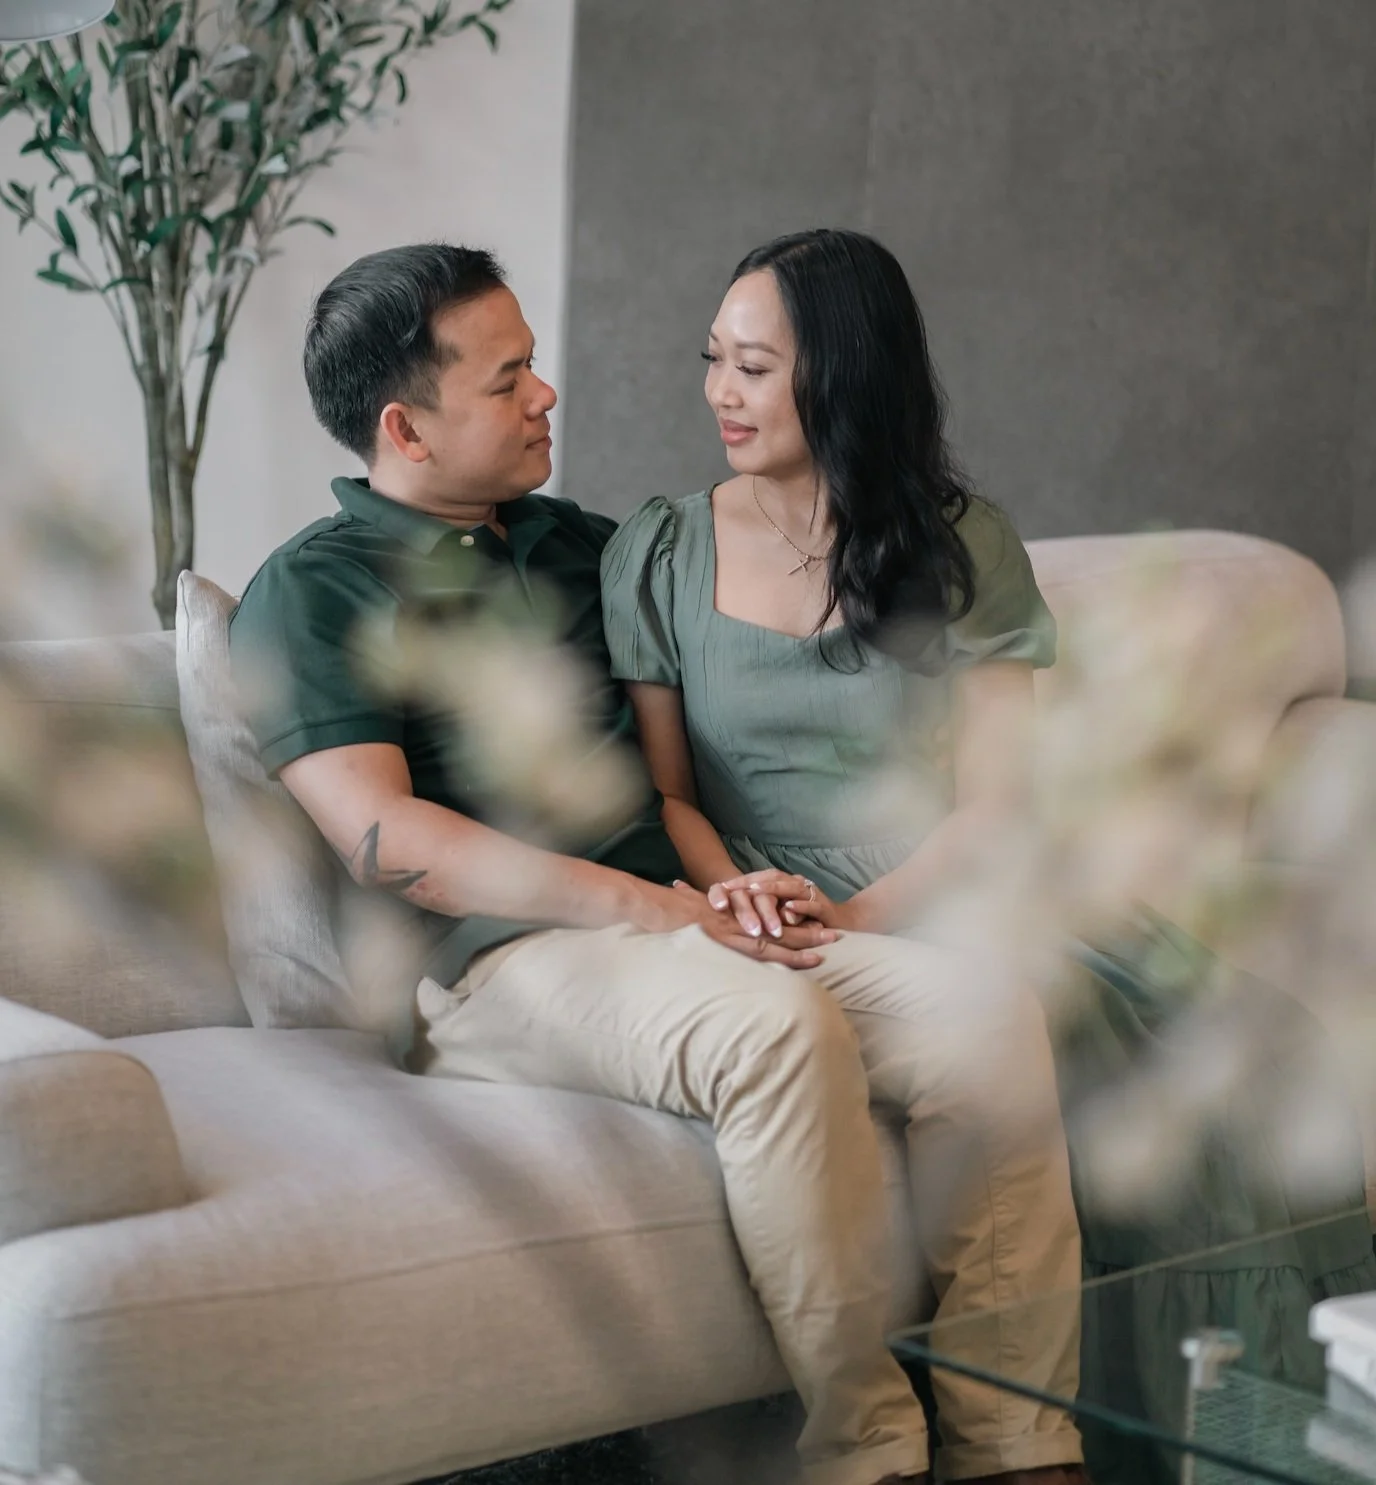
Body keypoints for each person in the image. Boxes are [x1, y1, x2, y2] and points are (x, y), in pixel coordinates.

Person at [228, 243, 1087, 1485]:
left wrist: (728, 894)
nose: (547, 394)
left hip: (690, 924)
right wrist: (651, 907)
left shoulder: (591, 549)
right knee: (775, 1028)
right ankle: (871, 1453)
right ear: (405, 428)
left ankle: (1018, 1450)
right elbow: (389, 841)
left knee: (983, 1015)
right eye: (509, 376)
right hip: (500, 967)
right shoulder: (311, 591)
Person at [600, 228, 1376, 1481]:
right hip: (751, 904)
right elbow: (671, 795)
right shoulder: (658, 548)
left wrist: (858, 917)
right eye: (712, 361)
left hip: (947, 890)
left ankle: (1158, 1438)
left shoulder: (963, 549)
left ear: (843, 378)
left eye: (751, 366)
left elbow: (990, 808)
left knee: (1190, 1055)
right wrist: (737, 898)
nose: (716, 393)